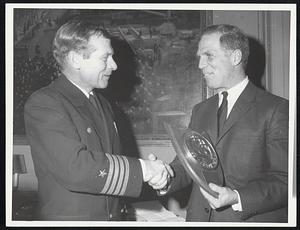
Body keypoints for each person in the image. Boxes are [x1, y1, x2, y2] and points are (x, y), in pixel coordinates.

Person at [24, 19, 173, 221]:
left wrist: (154, 176)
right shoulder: (45, 103)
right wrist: (145, 169)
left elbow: (110, 167)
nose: (114, 65)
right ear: (76, 59)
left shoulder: (102, 103)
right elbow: (75, 168)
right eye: (105, 58)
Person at [151, 24, 288, 222]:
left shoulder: (276, 109)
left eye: (209, 55)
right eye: (200, 57)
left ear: (235, 57)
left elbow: (285, 181)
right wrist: (164, 176)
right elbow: (188, 165)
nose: (200, 65)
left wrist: (237, 197)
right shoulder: (201, 110)